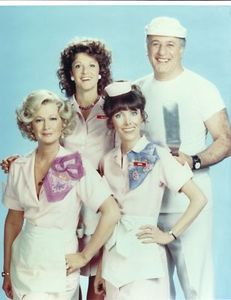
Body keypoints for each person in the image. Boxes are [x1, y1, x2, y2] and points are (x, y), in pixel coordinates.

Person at [1, 38, 115, 300]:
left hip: (92, 207)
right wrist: (19, 166)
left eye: (91, 65)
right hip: (40, 243)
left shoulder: (111, 110)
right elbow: (14, 218)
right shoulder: (62, 112)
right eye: (78, 66)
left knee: (99, 290)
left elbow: (111, 202)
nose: (85, 71)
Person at [135, 16, 231, 299]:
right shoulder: (138, 90)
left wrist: (194, 160)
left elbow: (225, 140)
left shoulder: (201, 88)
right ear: (146, 48)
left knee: (195, 287)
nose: (162, 52)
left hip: (190, 204)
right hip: (148, 206)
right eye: (155, 45)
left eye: (169, 45)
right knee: (152, 290)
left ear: (181, 49)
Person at [94, 81, 207, 300]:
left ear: (142, 116)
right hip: (113, 258)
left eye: (133, 113)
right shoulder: (107, 161)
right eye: (119, 115)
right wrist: (100, 269)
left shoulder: (159, 155)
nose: (128, 122)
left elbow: (198, 199)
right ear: (111, 122)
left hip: (145, 255)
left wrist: (169, 235)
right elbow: (109, 218)